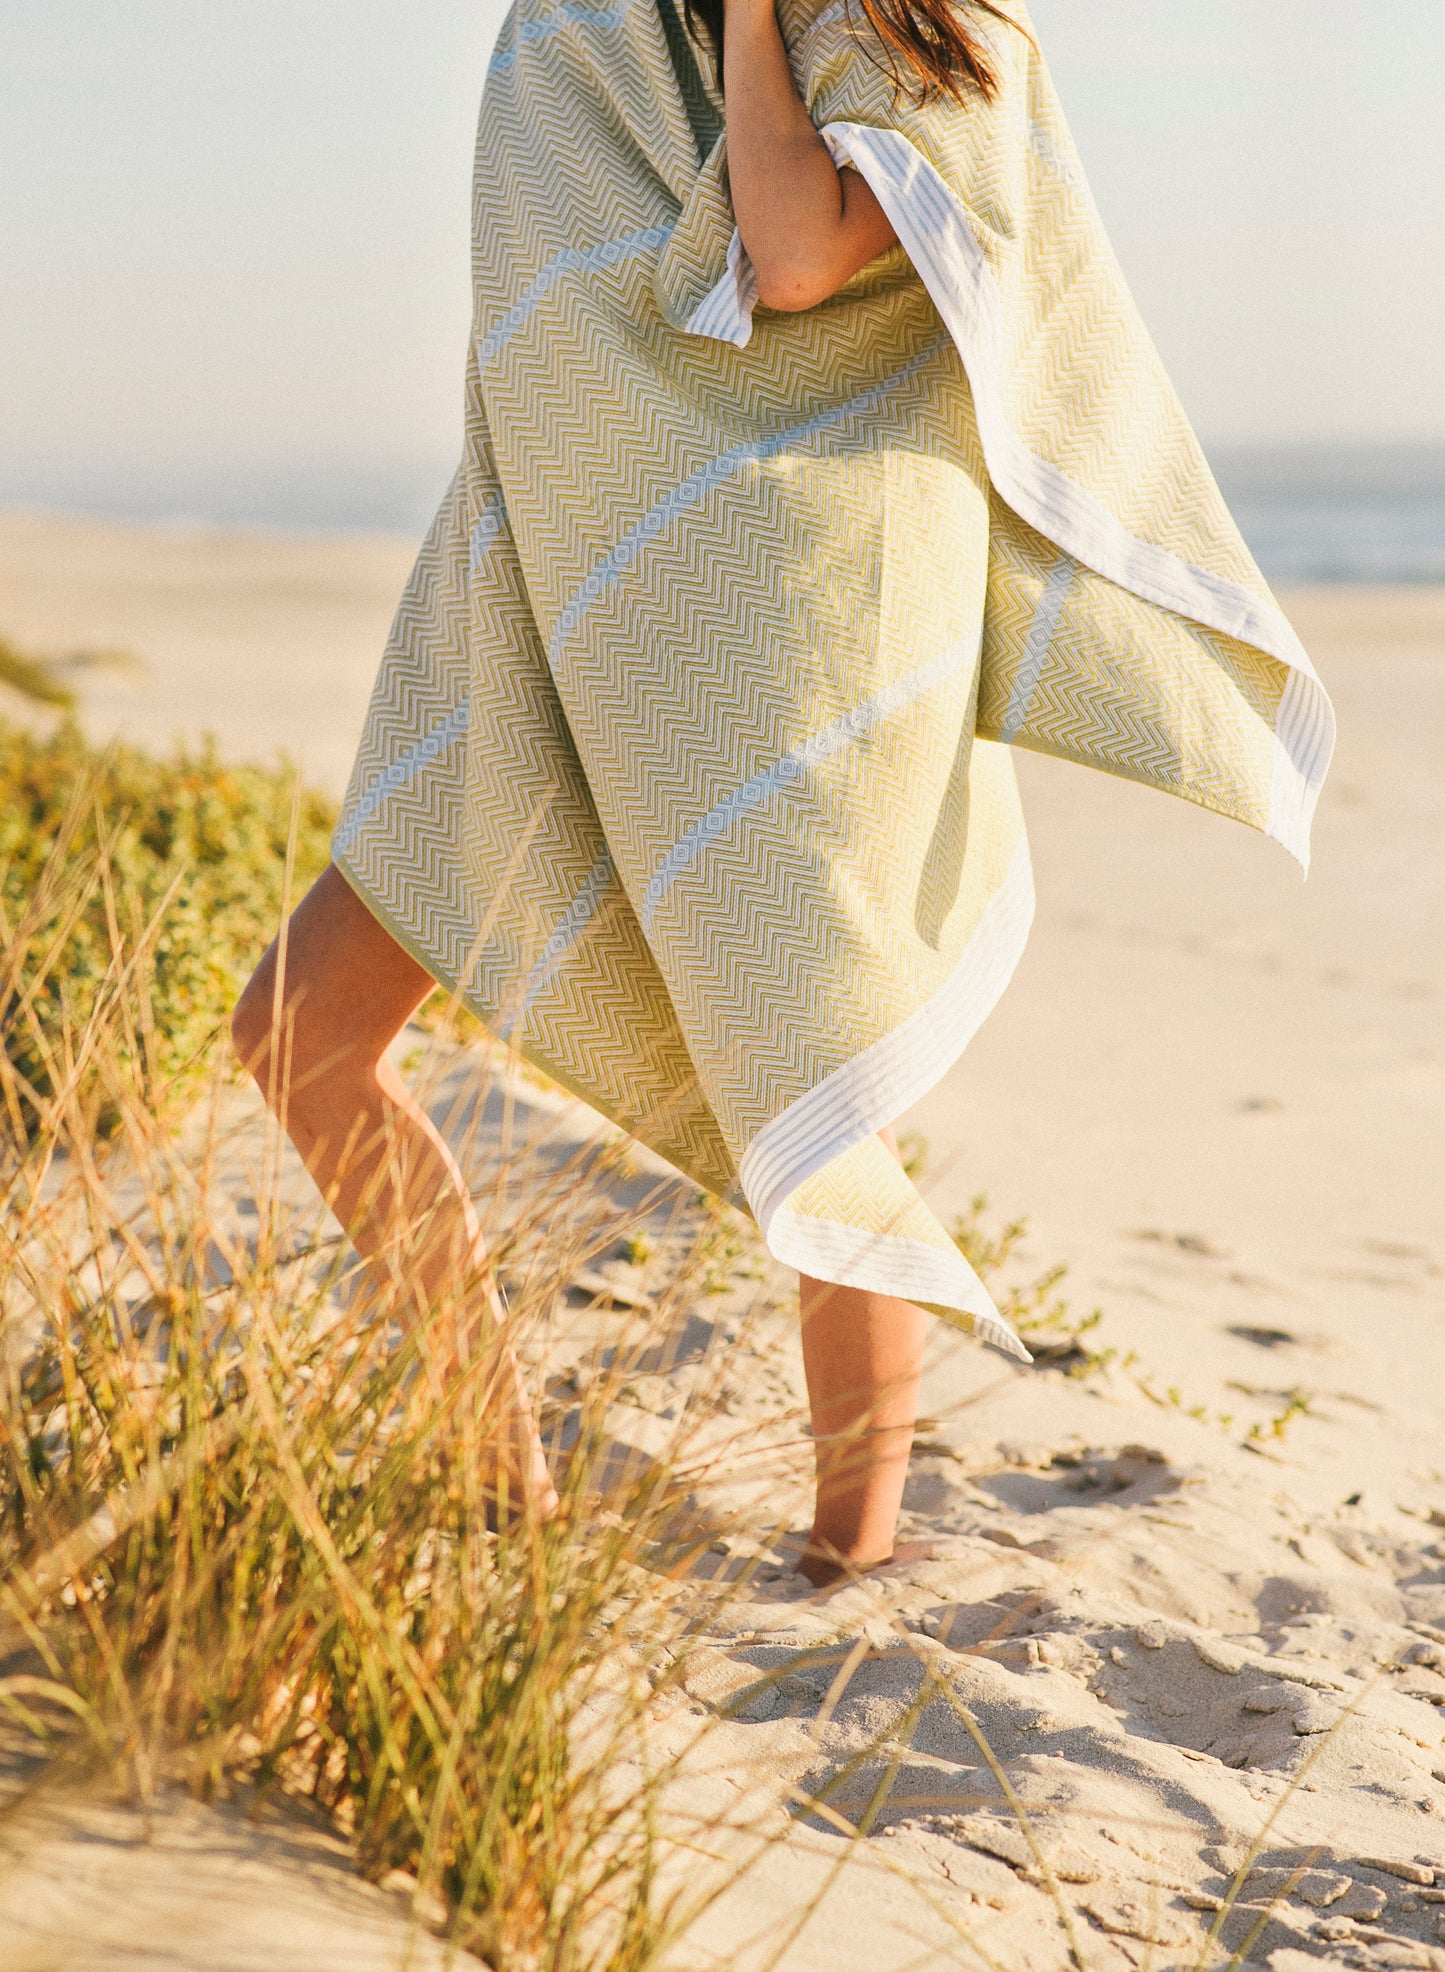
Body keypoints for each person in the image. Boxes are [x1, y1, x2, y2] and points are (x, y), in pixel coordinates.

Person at [234, 0, 1332, 1584]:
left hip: (775, 636)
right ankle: (497, 1478)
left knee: (812, 1111)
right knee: (298, 1032)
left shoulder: (926, 38)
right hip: (557, 592)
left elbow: (796, 257)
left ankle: (848, 1562)